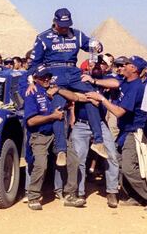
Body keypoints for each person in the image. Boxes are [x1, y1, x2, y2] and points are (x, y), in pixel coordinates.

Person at [28, 7, 106, 163]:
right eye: (62, 25)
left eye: (67, 25)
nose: (65, 28)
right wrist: (31, 81)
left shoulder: (76, 34)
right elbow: (33, 63)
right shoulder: (43, 38)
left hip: (73, 71)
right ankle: (61, 150)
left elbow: (92, 45)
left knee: (92, 97)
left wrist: (98, 46)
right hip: (55, 72)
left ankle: (98, 141)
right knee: (57, 108)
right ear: (55, 22)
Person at [86, 56, 147, 208]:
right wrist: (93, 81)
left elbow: (119, 112)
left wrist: (101, 99)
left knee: (129, 168)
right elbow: (114, 82)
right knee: (117, 161)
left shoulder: (136, 87)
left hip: (134, 132)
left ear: (134, 69)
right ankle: (134, 196)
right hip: (124, 130)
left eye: (126, 65)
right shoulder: (126, 81)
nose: (121, 67)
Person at [24, 65, 85, 210]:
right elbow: (30, 121)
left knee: (74, 160)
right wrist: (52, 117)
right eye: (42, 77)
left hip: (59, 135)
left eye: (48, 76)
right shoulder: (32, 93)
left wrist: (59, 90)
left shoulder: (54, 89)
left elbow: (75, 97)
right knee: (41, 164)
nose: (46, 79)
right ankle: (33, 196)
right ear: (35, 78)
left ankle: (70, 194)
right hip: (40, 135)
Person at [68, 66, 120, 208]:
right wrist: (87, 99)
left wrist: (94, 81)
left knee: (111, 156)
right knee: (79, 159)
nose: (95, 68)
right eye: (90, 67)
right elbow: (71, 99)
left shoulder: (102, 81)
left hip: (101, 124)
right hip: (81, 124)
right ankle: (80, 192)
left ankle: (112, 192)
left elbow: (116, 83)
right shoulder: (77, 82)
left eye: (99, 66)